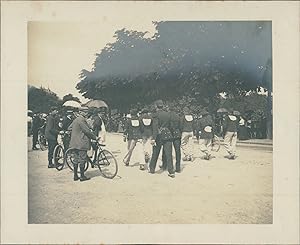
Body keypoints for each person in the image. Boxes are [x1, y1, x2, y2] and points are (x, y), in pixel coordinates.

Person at [68, 106, 100, 181]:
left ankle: (75, 176)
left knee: (76, 159)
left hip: (74, 142)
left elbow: (69, 128)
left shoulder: (76, 119)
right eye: (85, 112)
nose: (86, 113)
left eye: (87, 112)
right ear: (80, 112)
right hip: (81, 142)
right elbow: (87, 131)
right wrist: (95, 137)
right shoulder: (81, 120)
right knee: (82, 159)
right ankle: (82, 176)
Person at [149, 100, 175, 178]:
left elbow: (155, 127)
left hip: (159, 135)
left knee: (155, 153)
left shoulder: (155, 115)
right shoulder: (168, 114)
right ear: (162, 106)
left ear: (156, 106)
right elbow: (171, 126)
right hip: (168, 134)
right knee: (169, 154)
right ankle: (171, 171)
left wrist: (153, 138)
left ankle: (152, 168)